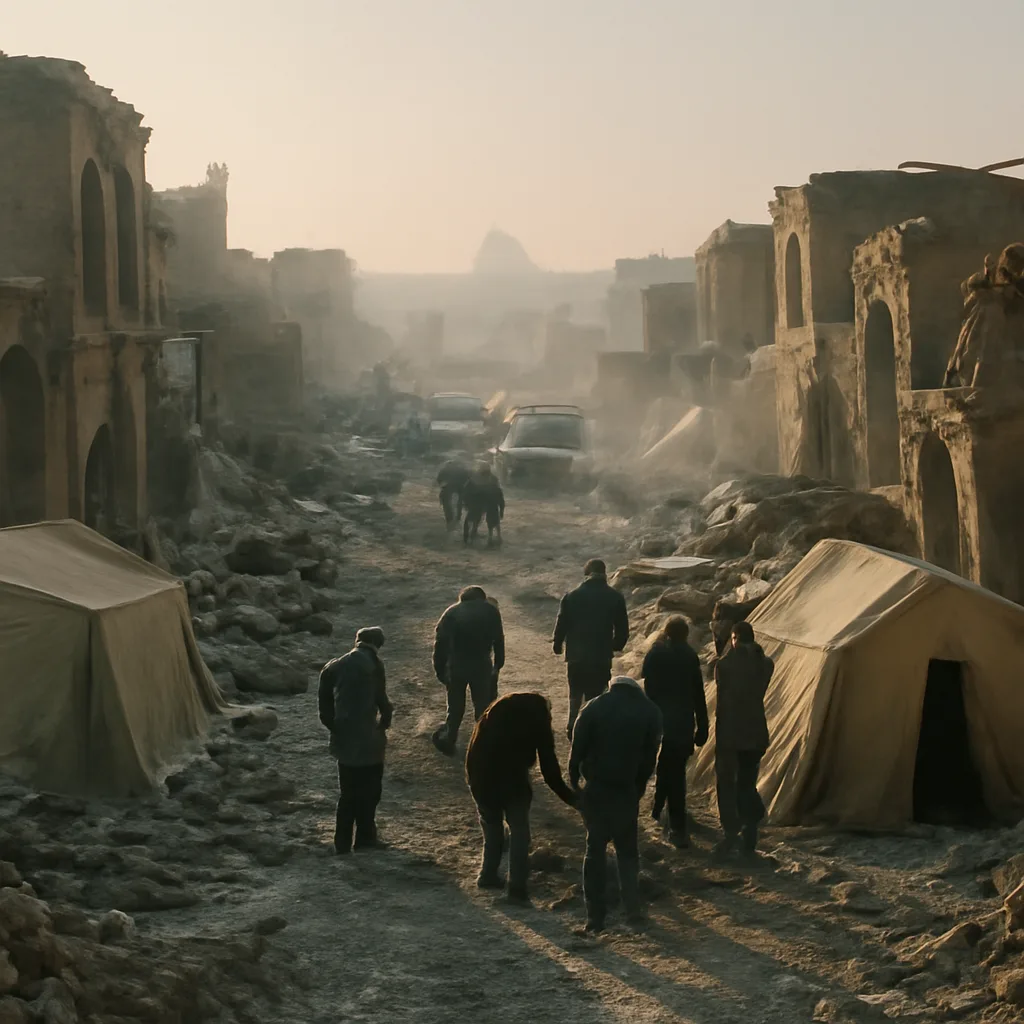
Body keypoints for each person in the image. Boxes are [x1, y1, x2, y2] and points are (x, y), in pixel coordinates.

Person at [569, 676, 662, 933]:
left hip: (597, 788)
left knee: (594, 850)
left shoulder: (593, 708)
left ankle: (594, 917)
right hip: (625, 790)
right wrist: (638, 787)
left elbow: (576, 750)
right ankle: (633, 911)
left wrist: (576, 782)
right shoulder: (649, 711)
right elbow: (649, 758)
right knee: (627, 851)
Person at [466, 692, 576, 903]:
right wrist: (570, 798)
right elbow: (548, 766)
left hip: (480, 776)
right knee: (519, 832)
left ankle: (487, 874)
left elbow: (474, 751)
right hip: (512, 781)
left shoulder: (494, 713)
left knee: (492, 825)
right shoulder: (537, 718)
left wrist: (473, 782)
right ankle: (516, 888)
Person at [317, 626, 392, 854]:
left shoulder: (333, 666)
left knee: (348, 793)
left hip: (344, 737)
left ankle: (341, 843)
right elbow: (382, 700)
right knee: (370, 791)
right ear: (377, 644)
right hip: (368, 738)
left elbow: (324, 705)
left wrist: (334, 726)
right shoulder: (374, 665)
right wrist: (383, 724)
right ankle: (365, 838)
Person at [641, 616, 709, 848]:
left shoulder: (656, 653)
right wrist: (703, 725)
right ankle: (676, 824)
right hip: (682, 722)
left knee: (661, 765)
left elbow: (647, 684)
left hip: (658, 718)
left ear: (667, 633)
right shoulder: (690, 656)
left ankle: (658, 810)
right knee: (676, 771)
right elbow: (698, 694)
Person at [713, 621, 774, 857]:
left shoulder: (725, 665)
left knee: (728, 783)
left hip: (731, 731)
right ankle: (749, 835)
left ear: (736, 638)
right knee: (747, 781)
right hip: (756, 730)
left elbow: (724, 694)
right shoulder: (766, 663)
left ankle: (734, 830)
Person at [552, 558, 630, 739]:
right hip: (600, 656)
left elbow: (562, 622)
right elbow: (622, 629)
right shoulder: (615, 596)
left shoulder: (572, 596)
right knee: (596, 694)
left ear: (586, 574)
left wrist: (558, 644)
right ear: (604, 574)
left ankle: (572, 724)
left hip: (576, 656)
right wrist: (616, 645)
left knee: (575, 692)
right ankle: (592, 727)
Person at [431, 585, 505, 755]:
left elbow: (440, 644)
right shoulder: (491, 611)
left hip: (457, 665)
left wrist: (440, 670)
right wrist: (498, 664)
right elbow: (498, 639)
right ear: (481, 597)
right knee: (482, 706)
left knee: (455, 706)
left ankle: (449, 739)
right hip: (482, 664)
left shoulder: (451, 612)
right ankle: (482, 743)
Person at [462, 463, 505, 547]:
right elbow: (498, 492)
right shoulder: (492, 479)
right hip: (486, 503)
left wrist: (466, 502)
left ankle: (469, 537)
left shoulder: (474, 478)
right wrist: (501, 508)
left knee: (472, 519)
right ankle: (476, 535)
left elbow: (466, 491)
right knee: (488, 520)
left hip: (477, 503)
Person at [437, 460, 471, 530]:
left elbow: (439, 480)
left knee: (446, 503)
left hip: (448, 487)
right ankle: (458, 517)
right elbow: (468, 478)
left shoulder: (445, 469)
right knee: (460, 503)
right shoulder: (462, 470)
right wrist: (464, 485)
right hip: (460, 487)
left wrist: (443, 485)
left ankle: (449, 519)